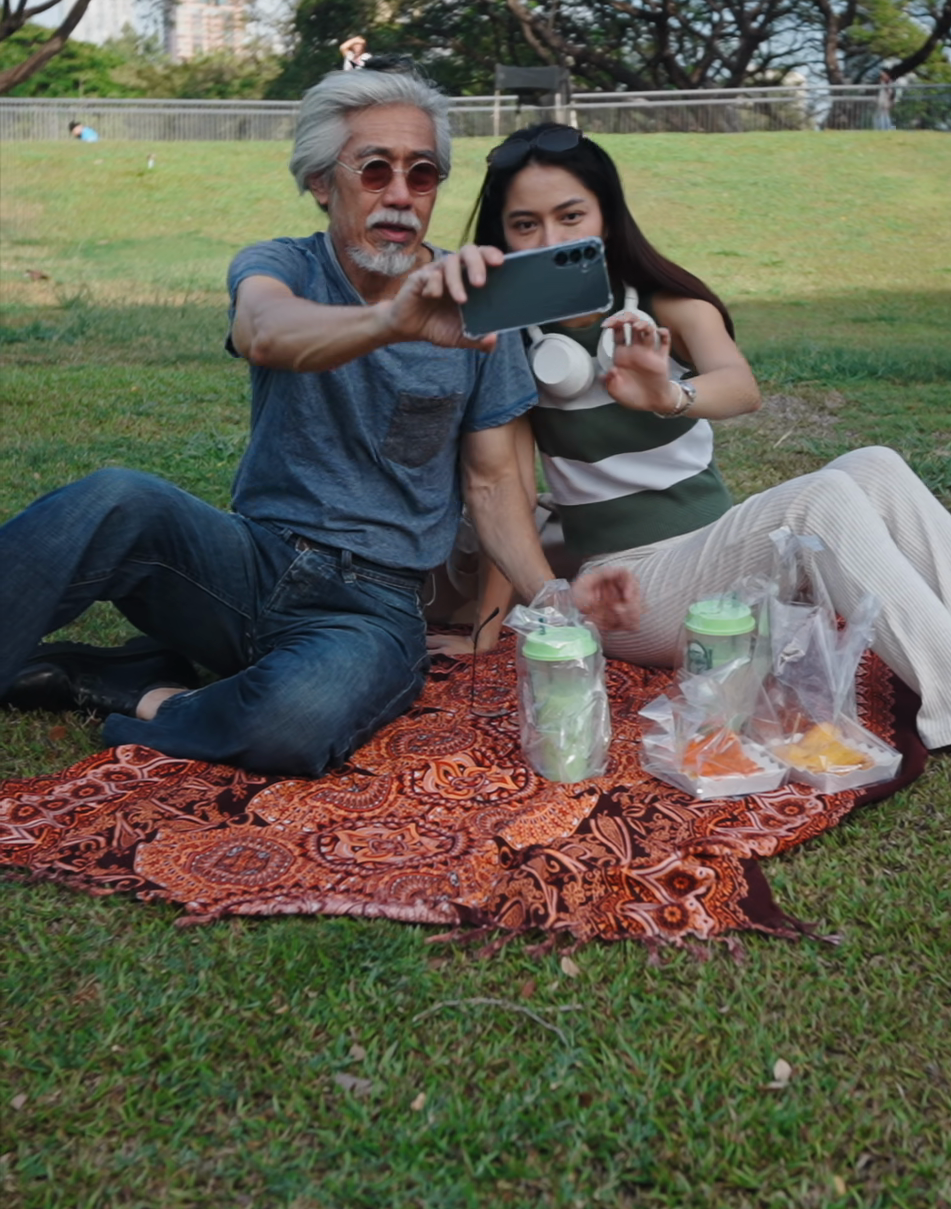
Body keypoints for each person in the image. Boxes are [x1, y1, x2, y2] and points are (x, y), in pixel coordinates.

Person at [0, 75, 637, 776]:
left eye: (422, 173)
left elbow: (492, 484)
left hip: (371, 608)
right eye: (375, 169)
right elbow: (265, 331)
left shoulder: (477, 310)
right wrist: (391, 322)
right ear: (321, 183)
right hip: (247, 563)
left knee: (295, 719)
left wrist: (554, 598)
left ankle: (136, 690)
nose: (401, 194)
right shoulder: (283, 264)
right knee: (113, 498)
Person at [430, 123, 951, 796]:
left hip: (717, 560)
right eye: (526, 224)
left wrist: (667, 394)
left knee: (876, 465)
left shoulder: (666, 307)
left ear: (607, 216)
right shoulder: (506, 342)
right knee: (819, 499)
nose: (550, 240)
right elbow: (499, 484)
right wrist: (497, 624)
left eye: (571, 216)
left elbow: (740, 388)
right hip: (633, 589)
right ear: (502, 237)